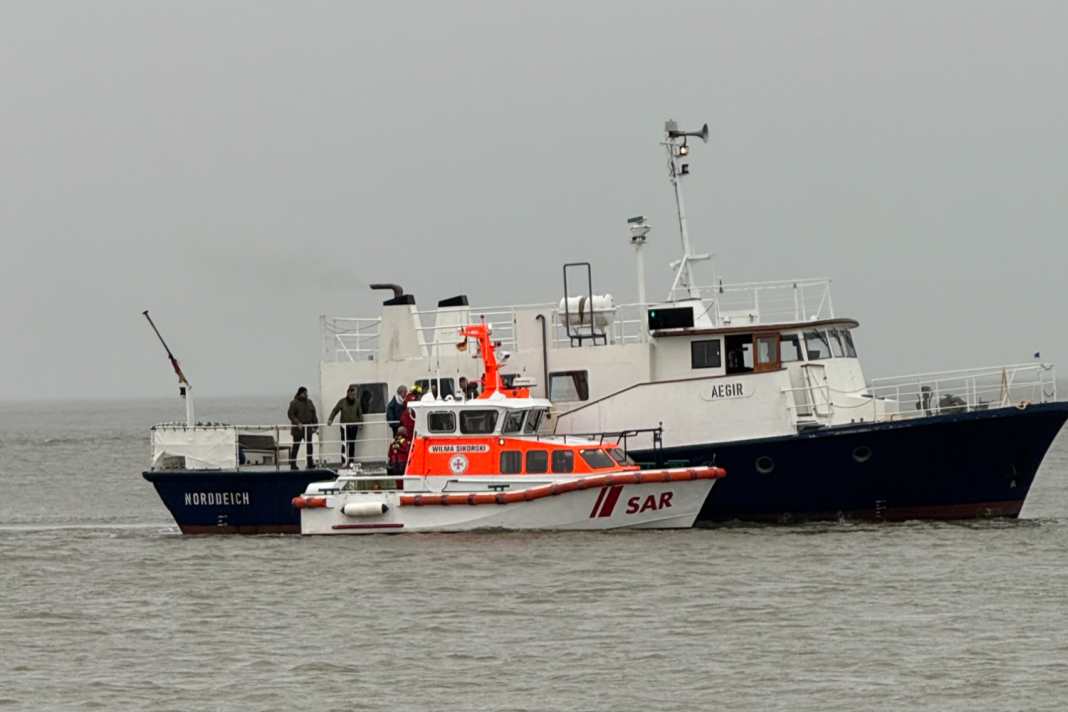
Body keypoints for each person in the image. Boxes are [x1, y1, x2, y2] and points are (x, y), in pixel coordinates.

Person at [327, 384, 364, 466]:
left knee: (352, 444)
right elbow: (334, 411)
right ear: (347, 393)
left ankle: (351, 461)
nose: (353, 396)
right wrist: (330, 419)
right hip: (344, 427)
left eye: (354, 394)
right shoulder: (342, 401)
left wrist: (361, 423)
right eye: (351, 394)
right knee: (344, 443)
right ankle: (343, 461)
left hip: (354, 426)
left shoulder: (357, 402)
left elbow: (360, 413)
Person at [287, 386, 318, 470]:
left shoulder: (310, 402)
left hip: (308, 427)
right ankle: (293, 464)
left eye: (306, 393)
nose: (306, 394)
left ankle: (310, 463)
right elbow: (291, 414)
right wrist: (297, 423)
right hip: (298, 429)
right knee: (296, 446)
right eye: (304, 393)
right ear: (300, 393)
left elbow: (313, 414)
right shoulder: (294, 403)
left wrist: (315, 426)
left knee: (309, 445)